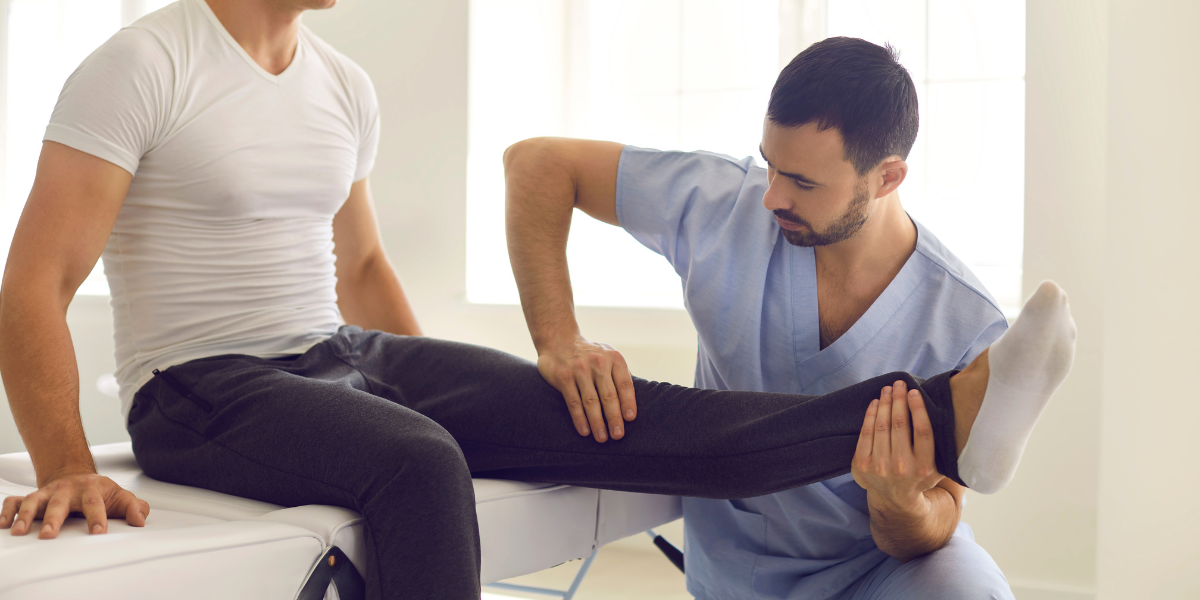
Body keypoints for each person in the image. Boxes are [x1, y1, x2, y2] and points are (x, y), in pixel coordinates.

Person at [0, 1, 1074, 598]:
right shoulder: (145, 63)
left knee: (617, 413)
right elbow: (35, 279)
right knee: (418, 463)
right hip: (199, 383)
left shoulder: (341, 85)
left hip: (338, 349)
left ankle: (948, 418)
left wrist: (429, 393)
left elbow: (361, 267)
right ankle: (949, 412)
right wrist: (64, 464)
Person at [503, 37, 1074, 599]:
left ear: (887, 178)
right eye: (771, 165)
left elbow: (936, 519)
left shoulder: (962, 318)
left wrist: (900, 504)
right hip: (738, 571)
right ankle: (952, 403)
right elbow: (536, 162)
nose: (772, 196)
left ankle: (956, 408)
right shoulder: (723, 203)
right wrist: (559, 338)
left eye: (803, 182)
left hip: (877, 570)